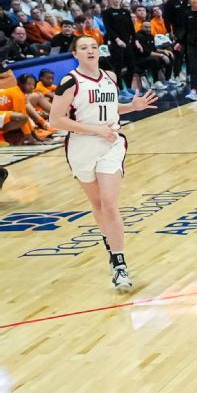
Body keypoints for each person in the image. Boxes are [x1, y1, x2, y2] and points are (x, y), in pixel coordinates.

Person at [48, 35, 159, 290]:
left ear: (99, 51)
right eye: (83, 48)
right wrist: (95, 130)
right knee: (98, 204)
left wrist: (132, 106)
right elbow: (56, 120)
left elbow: (109, 109)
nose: (90, 51)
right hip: (81, 147)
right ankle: (111, 247)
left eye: (93, 47)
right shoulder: (69, 82)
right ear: (75, 54)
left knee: (109, 203)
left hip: (111, 144)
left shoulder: (109, 77)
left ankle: (120, 265)